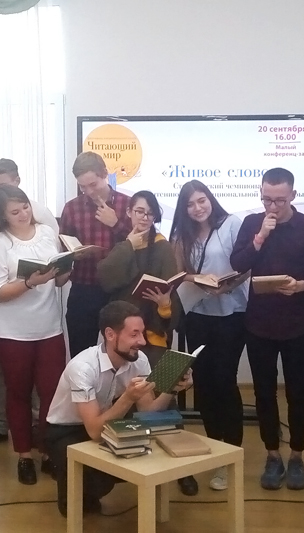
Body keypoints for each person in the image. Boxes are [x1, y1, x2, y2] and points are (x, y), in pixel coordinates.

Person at [230, 167, 304, 491]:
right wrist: (260, 236)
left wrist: (302, 285)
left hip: (297, 325)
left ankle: (297, 455)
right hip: (258, 325)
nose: (272, 206)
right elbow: (238, 264)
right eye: (267, 199)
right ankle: (272, 455)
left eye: (279, 200)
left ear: (293, 196)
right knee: (263, 393)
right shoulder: (251, 223)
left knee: (298, 392)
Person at [45, 301, 193, 516]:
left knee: (132, 459)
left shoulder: (138, 360)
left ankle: (83, 483)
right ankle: (68, 478)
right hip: (64, 431)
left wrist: (172, 387)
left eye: (142, 333)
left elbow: (148, 411)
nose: (142, 341)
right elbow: (94, 432)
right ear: (110, 334)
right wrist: (128, 397)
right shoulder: (82, 368)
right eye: (134, 334)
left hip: (102, 420)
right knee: (93, 486)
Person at [96, 190, 198, 496]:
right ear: (128, 212)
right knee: (126, 399)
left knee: (165, 397)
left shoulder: (162, 246)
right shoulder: (123, 243)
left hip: (153, 337)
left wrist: (164, 305)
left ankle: (182, 468)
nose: (144, 217)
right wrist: (128, 245)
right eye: (139, 211)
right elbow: (106, 279)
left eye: (149, 213)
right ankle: (133, 459)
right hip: (122, 339)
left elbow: (171, 297)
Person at [0, 185, 69, 485]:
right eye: (14, 211)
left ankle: (48, 452)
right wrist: (30, 283)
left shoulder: (46, 233)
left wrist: (66, 268)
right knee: (18, 393)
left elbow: (58, 282)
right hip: (11, 331)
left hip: (49, 327)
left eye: (25, 207)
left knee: (52, 393)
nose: (23, 215)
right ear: (2, 216)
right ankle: (24, 456)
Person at [169, 179, 249, 491]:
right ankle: (215, 447)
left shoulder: (231, 224)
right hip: (198, 316)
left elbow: (246, 264)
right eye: (190, 204)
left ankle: (232, 452)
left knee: (225, 381)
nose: (197, 208)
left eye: (202, 200)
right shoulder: (182, 234)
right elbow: (178, 273)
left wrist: (228, 284)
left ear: (211, 199)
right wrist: (196, 279)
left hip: (232, 314)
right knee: (203, 385)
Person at [59, 152, 133, 358]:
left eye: (93, 184)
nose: (89, 191)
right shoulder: (72, 208)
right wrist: (73, 254)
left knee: (124, 353)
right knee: (82, 355)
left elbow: (142, 245)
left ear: (105, 174)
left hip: (120, 290)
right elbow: (63, 248)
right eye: (83, 187)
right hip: (84, 289)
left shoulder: (128, 205)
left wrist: (116, 224)